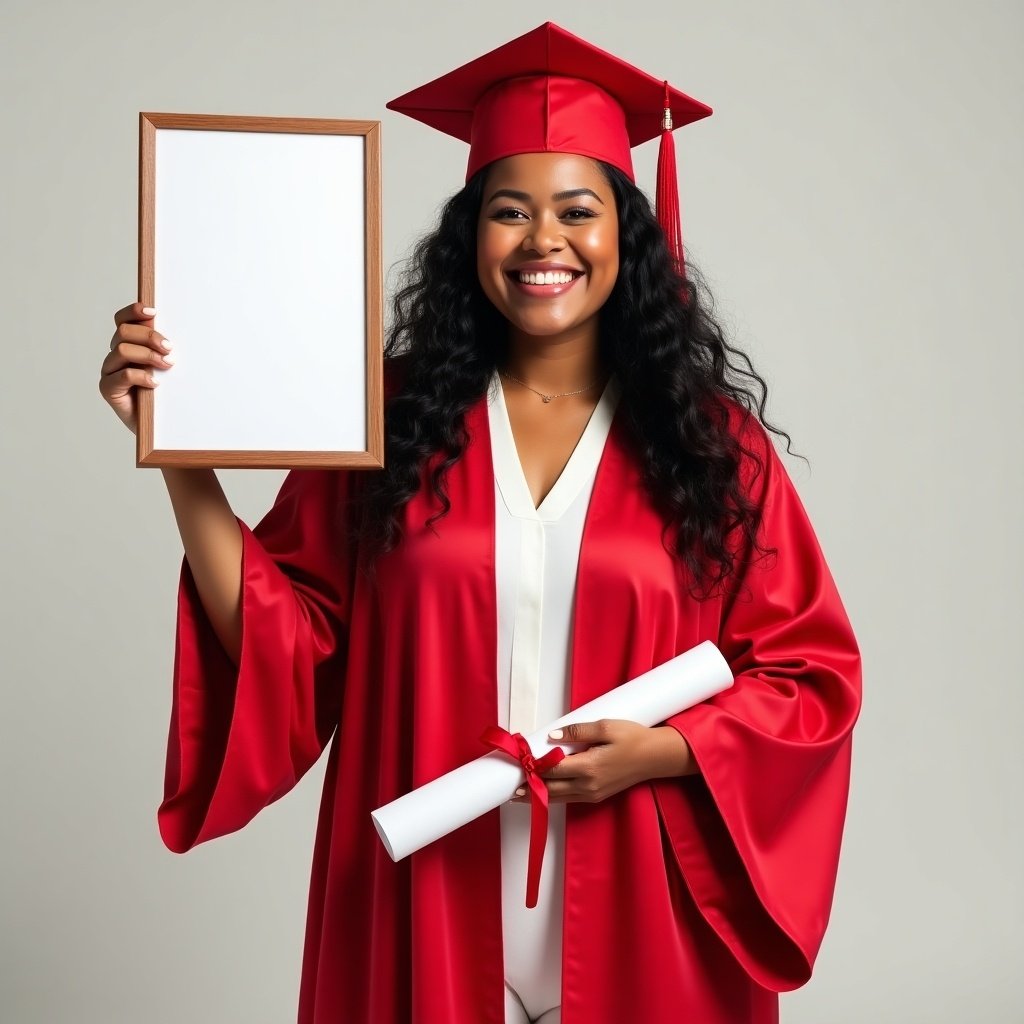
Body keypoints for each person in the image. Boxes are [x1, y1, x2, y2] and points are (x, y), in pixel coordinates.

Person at [98, 22, 862, 1024]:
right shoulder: (386, 420)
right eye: (510, 211)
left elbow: (808, 679)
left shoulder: (714, 447)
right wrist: (181, 452)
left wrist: (664, 750)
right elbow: (287, 639)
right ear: (471, 238)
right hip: (421, 897)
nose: (544, 239)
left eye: (576, 211)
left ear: (621, 236)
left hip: (644, 903)